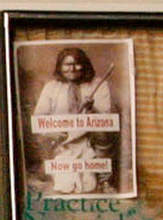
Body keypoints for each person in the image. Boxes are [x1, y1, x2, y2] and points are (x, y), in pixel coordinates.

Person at [28, 44, 120, 195]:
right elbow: (39, 119)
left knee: (89, 185)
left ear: (84, 65)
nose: (72, 69)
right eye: (67, 64)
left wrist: (92, 109)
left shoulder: (99, 84)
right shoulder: (51, 87)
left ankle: (103, 178)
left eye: (76, 64)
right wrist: (53, 132)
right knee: (66, 185)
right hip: (62, 144)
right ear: (60, 66)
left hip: (91, 142)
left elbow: (107, 119)